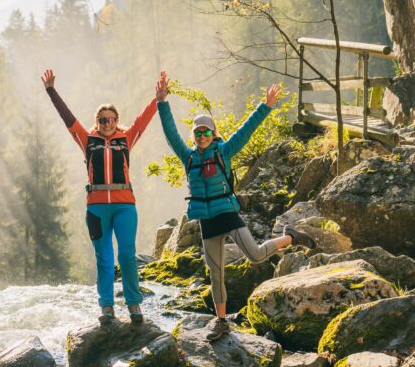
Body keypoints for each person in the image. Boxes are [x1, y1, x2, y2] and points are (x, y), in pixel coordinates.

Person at [155, 72, 315, 341]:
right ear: (193, 136)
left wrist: (265, 106)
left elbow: (246, 131)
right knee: (215, 274)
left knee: (254, 254)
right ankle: (221, 321)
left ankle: (291, 236)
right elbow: (171, 134)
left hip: (228, 214)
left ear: (213, 132)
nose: (202, 135)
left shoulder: (224, 151)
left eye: (206, 131)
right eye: (197, 132)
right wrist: (162, 103)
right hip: (207, 221)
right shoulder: (189, 157)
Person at [42, 69, 159, 326]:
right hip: (96, 209)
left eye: (111, 119)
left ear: (117, 120)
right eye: (103, 120)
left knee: (127, 255)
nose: (107, 124)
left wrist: (158, 99)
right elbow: (68, 118)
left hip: (125, 206)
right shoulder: (88, 140)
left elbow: (143, 120)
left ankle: (133, 303)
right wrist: (52, 91)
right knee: (104, 259)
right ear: (97, 122)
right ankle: (107, 306)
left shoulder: (126, 139)